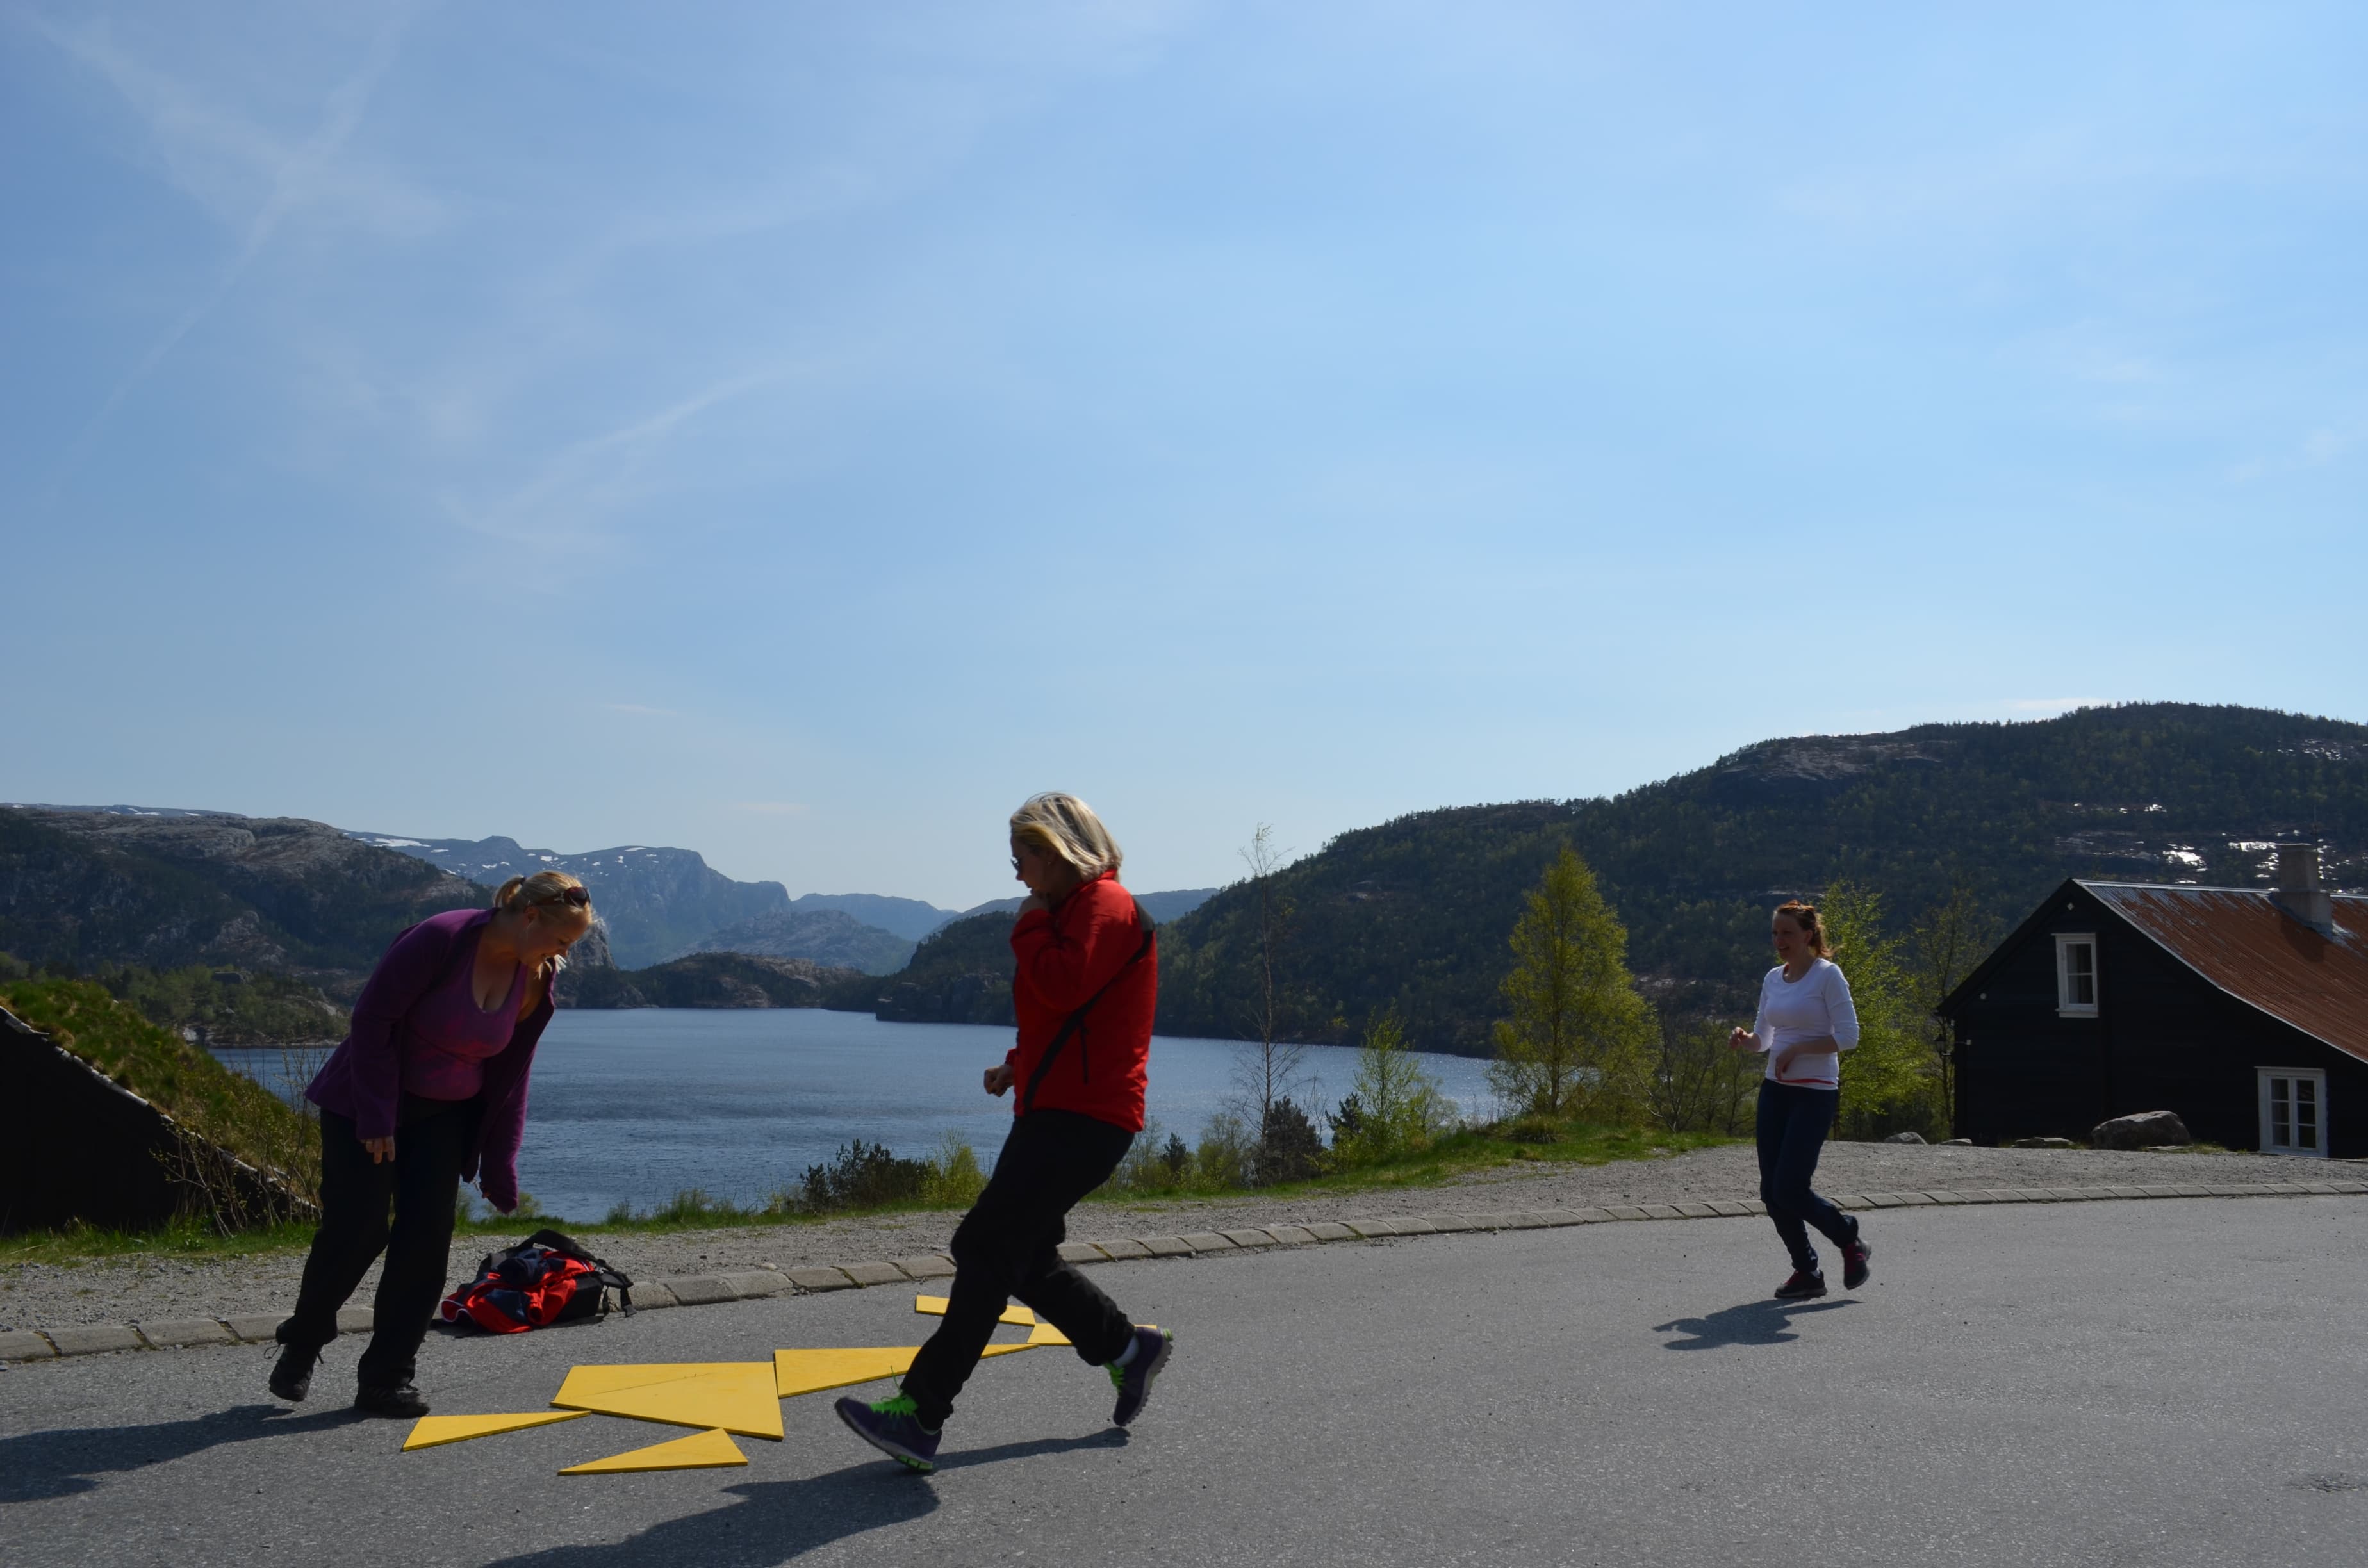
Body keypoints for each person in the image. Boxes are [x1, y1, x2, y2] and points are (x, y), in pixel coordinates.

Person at [837, 792, 1171, 1473]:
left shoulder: (1104, 906)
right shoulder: (1074, 911)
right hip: (1062, 1112)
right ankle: (1127, 1349)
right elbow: (1070, 1015)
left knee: (985, 1246)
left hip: (1086, 1118)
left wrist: (1026, 928)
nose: (1017, 875)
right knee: (1020, 1254)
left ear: (1054, 852)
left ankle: (921, 1414)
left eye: (1021, 860)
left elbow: (1067, 983)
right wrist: (1020, 1066)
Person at [270, 871, 593, 1416]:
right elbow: (371, 1021)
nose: (566, 953)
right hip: (366, 1103)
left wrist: (500, 1163)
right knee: (357, 1231)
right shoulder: (440, 938)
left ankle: (387, 1378)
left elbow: (512, 1074)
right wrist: (377, 1116)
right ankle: (303, 1343)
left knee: (424, 1244)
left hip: (445, 1117)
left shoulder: (537, 980)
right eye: (563, 940)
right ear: (531, 917)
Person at [1728, 900, 1871, 1301]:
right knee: (1771, 1192)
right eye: (1775, 933)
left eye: (1787, 933)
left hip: (1815, 1093)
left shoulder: (1828, 976)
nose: (1779, 941)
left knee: (1790, 1187)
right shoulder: (1774, 978)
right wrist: (1746, 1041)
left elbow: (1848, 1037)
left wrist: (1799, 1051)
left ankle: (1848, 1238)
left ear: (1808, 935)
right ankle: (1807, 1272)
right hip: (1776, 1090)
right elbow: (1765, 1041)